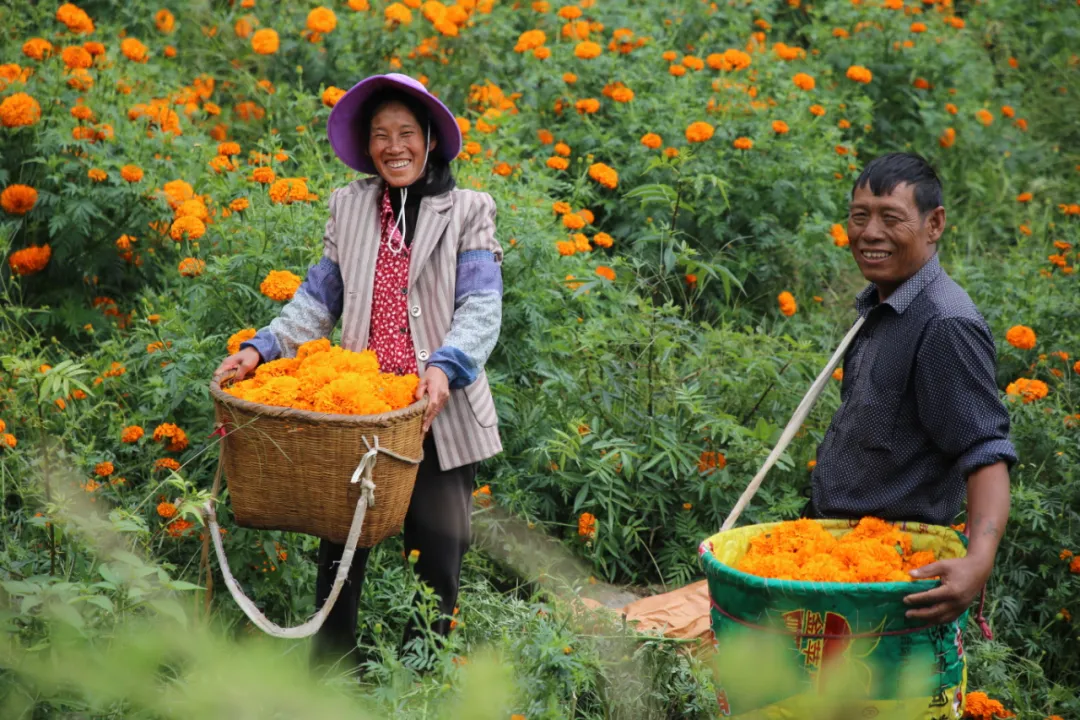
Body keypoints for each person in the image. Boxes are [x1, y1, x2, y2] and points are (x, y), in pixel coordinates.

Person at [212, 73, 504, 670]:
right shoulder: (350, 206)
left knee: (438, 549)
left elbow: (482, 304)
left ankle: (420, 676)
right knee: (341, 548)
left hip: (435, 411)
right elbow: (318, 300)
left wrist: (445, 367)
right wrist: (261, 348)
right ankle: (332, 671)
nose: (393, 147)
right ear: (367, 145)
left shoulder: (469, 209)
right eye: (379, 135)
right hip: (361, 410)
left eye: (405, 133)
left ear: (428, 138)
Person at [807, 152, 1016, 625]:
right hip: (841, 555)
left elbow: (985, 451)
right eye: (859, 217)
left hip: (892, 576)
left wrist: (976, 564)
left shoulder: (943, 323)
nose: (870, 233)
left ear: (934, 223)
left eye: (891, 218)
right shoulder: (884, 303)